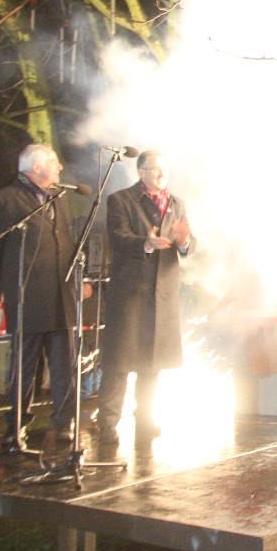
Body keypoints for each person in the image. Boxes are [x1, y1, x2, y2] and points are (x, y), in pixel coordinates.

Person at [0, 143, 80, 449]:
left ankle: (63, 422)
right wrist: (11, 284)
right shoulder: (4, 199)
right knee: (24, 366)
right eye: (54, 162)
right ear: (36, 168)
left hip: (60, 294)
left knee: (64, 366)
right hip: (27, 297)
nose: (60, 167)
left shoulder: (58, 198)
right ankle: (17, 424)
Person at [96, 149, 194, 444]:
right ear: (140, 172)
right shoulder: (121, 200)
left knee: (153, 363)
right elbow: (118, 238)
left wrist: (184, 241)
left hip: (162, 293)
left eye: (165, 170)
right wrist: (146, 243)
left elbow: (188, 244)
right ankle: (107, 424)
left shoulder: (176, 203)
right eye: (155, 169)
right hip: (130, 292)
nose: (162, 175)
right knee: (119, 363)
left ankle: (145, 419)